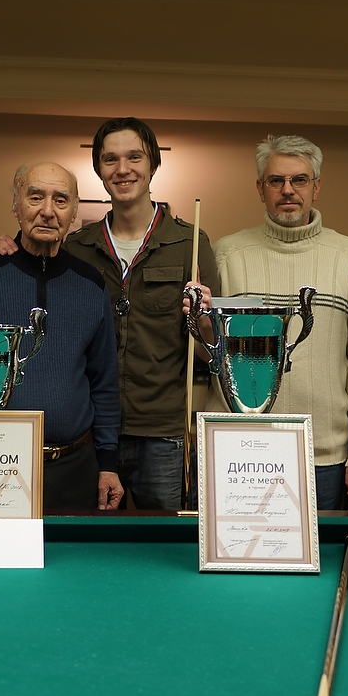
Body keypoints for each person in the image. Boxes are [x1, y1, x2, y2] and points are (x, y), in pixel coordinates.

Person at [0, 162, 123, 511]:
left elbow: (104, 381)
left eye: (60, 200)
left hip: (74, 467)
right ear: (16, 205)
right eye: (35, 197)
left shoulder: (91, 284)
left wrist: (108, 462)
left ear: (74, 212)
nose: (47, 211)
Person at [212, 135, 348, 509]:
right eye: (276, 180)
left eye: (300, 180)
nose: (288, 190)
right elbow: (208, 353)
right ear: (260, 189)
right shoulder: (226, 255)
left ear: (316, 187)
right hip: (240, 451)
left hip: (324, 455)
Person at [65, 117, 219, 510]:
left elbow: (212, 353)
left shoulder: (190, 243)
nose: (123, 169)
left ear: (153, 165)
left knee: (165, 541)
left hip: (163, 433)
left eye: (135, 157)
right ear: (99, 169)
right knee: (92, 539)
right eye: (110, 159)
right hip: (92, 432)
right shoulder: (76, 249)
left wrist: (204, 321)